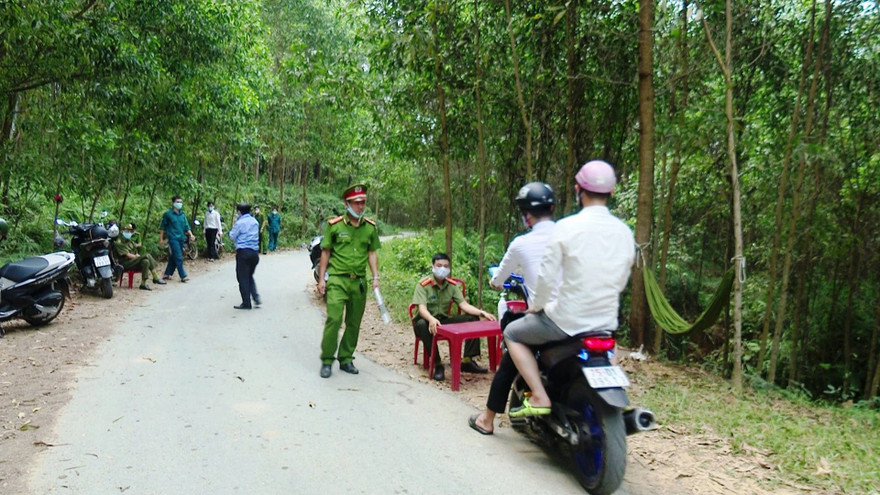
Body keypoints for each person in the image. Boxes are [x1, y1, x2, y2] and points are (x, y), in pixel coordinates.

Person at [502, 160, 635, 418]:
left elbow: (546, 278)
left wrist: (536, 307)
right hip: (605, 322)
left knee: (513, 333)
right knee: (609, 351)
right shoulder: (624, 231)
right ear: (612, 192)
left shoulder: (566, 227)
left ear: (578, 190)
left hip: (565, 320)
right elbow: (621, 279)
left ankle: (539, 394)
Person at [469, 182, 557, 435]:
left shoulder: (521, 244)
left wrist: (494, 282)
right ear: (551, 208)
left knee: (511, 344)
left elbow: (498, 280)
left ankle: (487, 420)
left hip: (550, 319)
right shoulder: (569, 236)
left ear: (527, 214)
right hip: (586, 317)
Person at [317, 183, 381, 378]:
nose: (361, 206)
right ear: (347, 204)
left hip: (359, 282)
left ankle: (346, 358)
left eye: (363, 203)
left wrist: (375, 276)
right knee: (334, 319)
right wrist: (322, 279)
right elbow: (325, 252)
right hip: (337, 279)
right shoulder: (334, 225)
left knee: (354, 322)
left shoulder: (369, 228)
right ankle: (327, 360)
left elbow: (372, 253)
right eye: (357, 203)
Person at [412, 253, 496, 381]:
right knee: (423, 324)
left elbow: (464, 305)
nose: (442, 269)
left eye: (446, 266)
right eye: (439, 265)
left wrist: (481, 312)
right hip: (424, 321)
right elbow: (422, 309)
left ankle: (467, 361)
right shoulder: (423, 285)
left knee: (472, 319)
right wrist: (431, 319)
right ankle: (437, 364)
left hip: (443, 321)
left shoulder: (451, 285)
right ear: (433, 266)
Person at [228, 203, 261, 310]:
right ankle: (255, 296)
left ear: (239, 212)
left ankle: (246, 302)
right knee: (249, 275)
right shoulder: (255, 222)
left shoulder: (240, 222)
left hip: (243, 253)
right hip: (254, 253)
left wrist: (234, 225)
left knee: (242, 277)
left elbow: (232, 237)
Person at [115, 223, 166, 290]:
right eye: (127, 231)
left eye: (130, 231)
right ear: (123, 231)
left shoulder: (130, 241)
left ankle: (143, 284)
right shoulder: (119, 242)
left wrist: (137, 256)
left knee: (146, 261)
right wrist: (136, 256)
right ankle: (155, 276)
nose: (129, 233)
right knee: (147, 255)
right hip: (125, 263)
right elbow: (127, 255)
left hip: (133, 262)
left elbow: (135, 250)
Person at [159, 195, 196, 282]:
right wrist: (161, 239)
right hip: (172, 238)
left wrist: (191, 235)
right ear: (173, 203)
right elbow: (162, 227)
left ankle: (167, 273)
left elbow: (186, 226)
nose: (179, 204)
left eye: (180, 202)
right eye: (177, 202)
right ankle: (183, 275)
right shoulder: (168, 214)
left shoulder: (182, 215)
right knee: (178, 257)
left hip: (181, 238)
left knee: (174, 256)